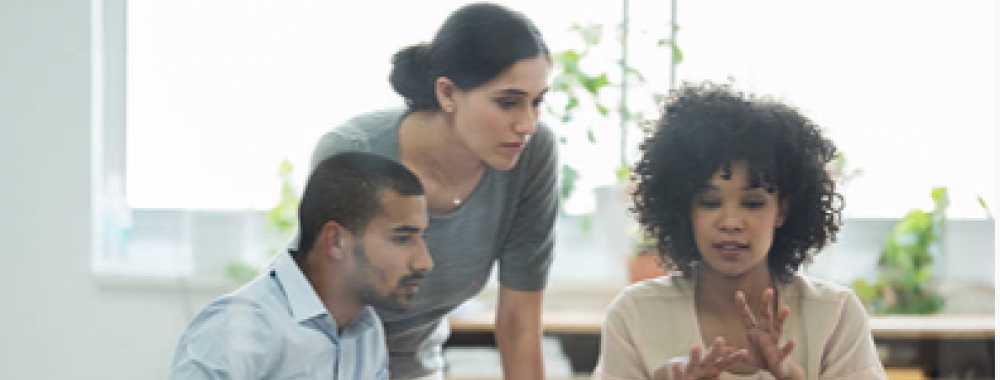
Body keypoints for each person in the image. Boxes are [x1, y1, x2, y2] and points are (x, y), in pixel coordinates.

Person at [308, 3, 557, 379]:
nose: (527, 124)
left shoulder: (531, 156)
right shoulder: (353, 154)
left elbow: (520, 324)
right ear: (448, 93)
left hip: (417, 366)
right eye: (508, 103)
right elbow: (321, 319)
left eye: (537, 102)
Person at [593, 82, 888, 380]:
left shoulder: (834, 314)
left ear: (782, 210)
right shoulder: (635, 314)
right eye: (710, 202)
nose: (731, 222)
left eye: (753, 203)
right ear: (685, 209)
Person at [167, 152, 433, 380]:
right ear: (336, 240)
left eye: (421, 238)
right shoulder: (239, 328)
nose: (425, 262)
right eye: (402, 239)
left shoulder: (365, 327)